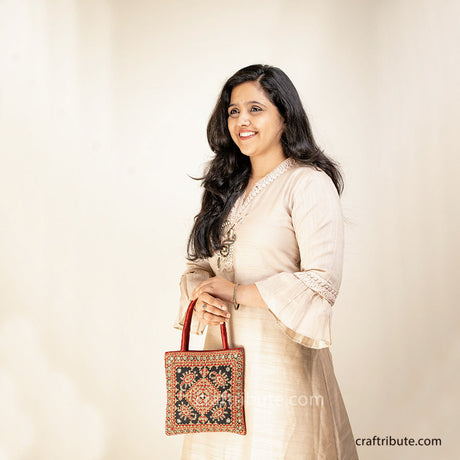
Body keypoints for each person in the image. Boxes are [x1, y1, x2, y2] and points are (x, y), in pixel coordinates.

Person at [174, 64, 359, 459]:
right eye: (233, 110)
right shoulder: (226, 189)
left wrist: (236, 292)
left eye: (255, 108)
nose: (241, 120)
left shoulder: (307, 183)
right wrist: (201, 294)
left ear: (284, 115)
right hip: (217, 371)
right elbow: (201, 269)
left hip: (282, 371)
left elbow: (321, 283)